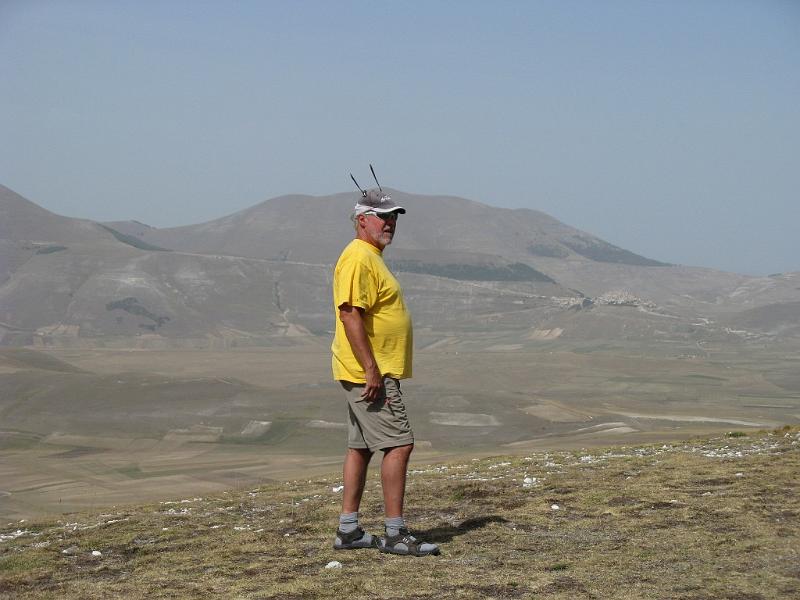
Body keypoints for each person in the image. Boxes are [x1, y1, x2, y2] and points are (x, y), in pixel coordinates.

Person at [330, 180, 439, 557]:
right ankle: (395, 533)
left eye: (393, 218)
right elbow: (350, 315)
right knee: (399, 444)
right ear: (362, 220)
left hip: (369, 369)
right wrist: (372, 370)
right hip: (370, 372)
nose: (389, 224)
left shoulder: (370, 256)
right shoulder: (359, 257)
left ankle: (349, 531)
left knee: (360, 447)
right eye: (381, 218)